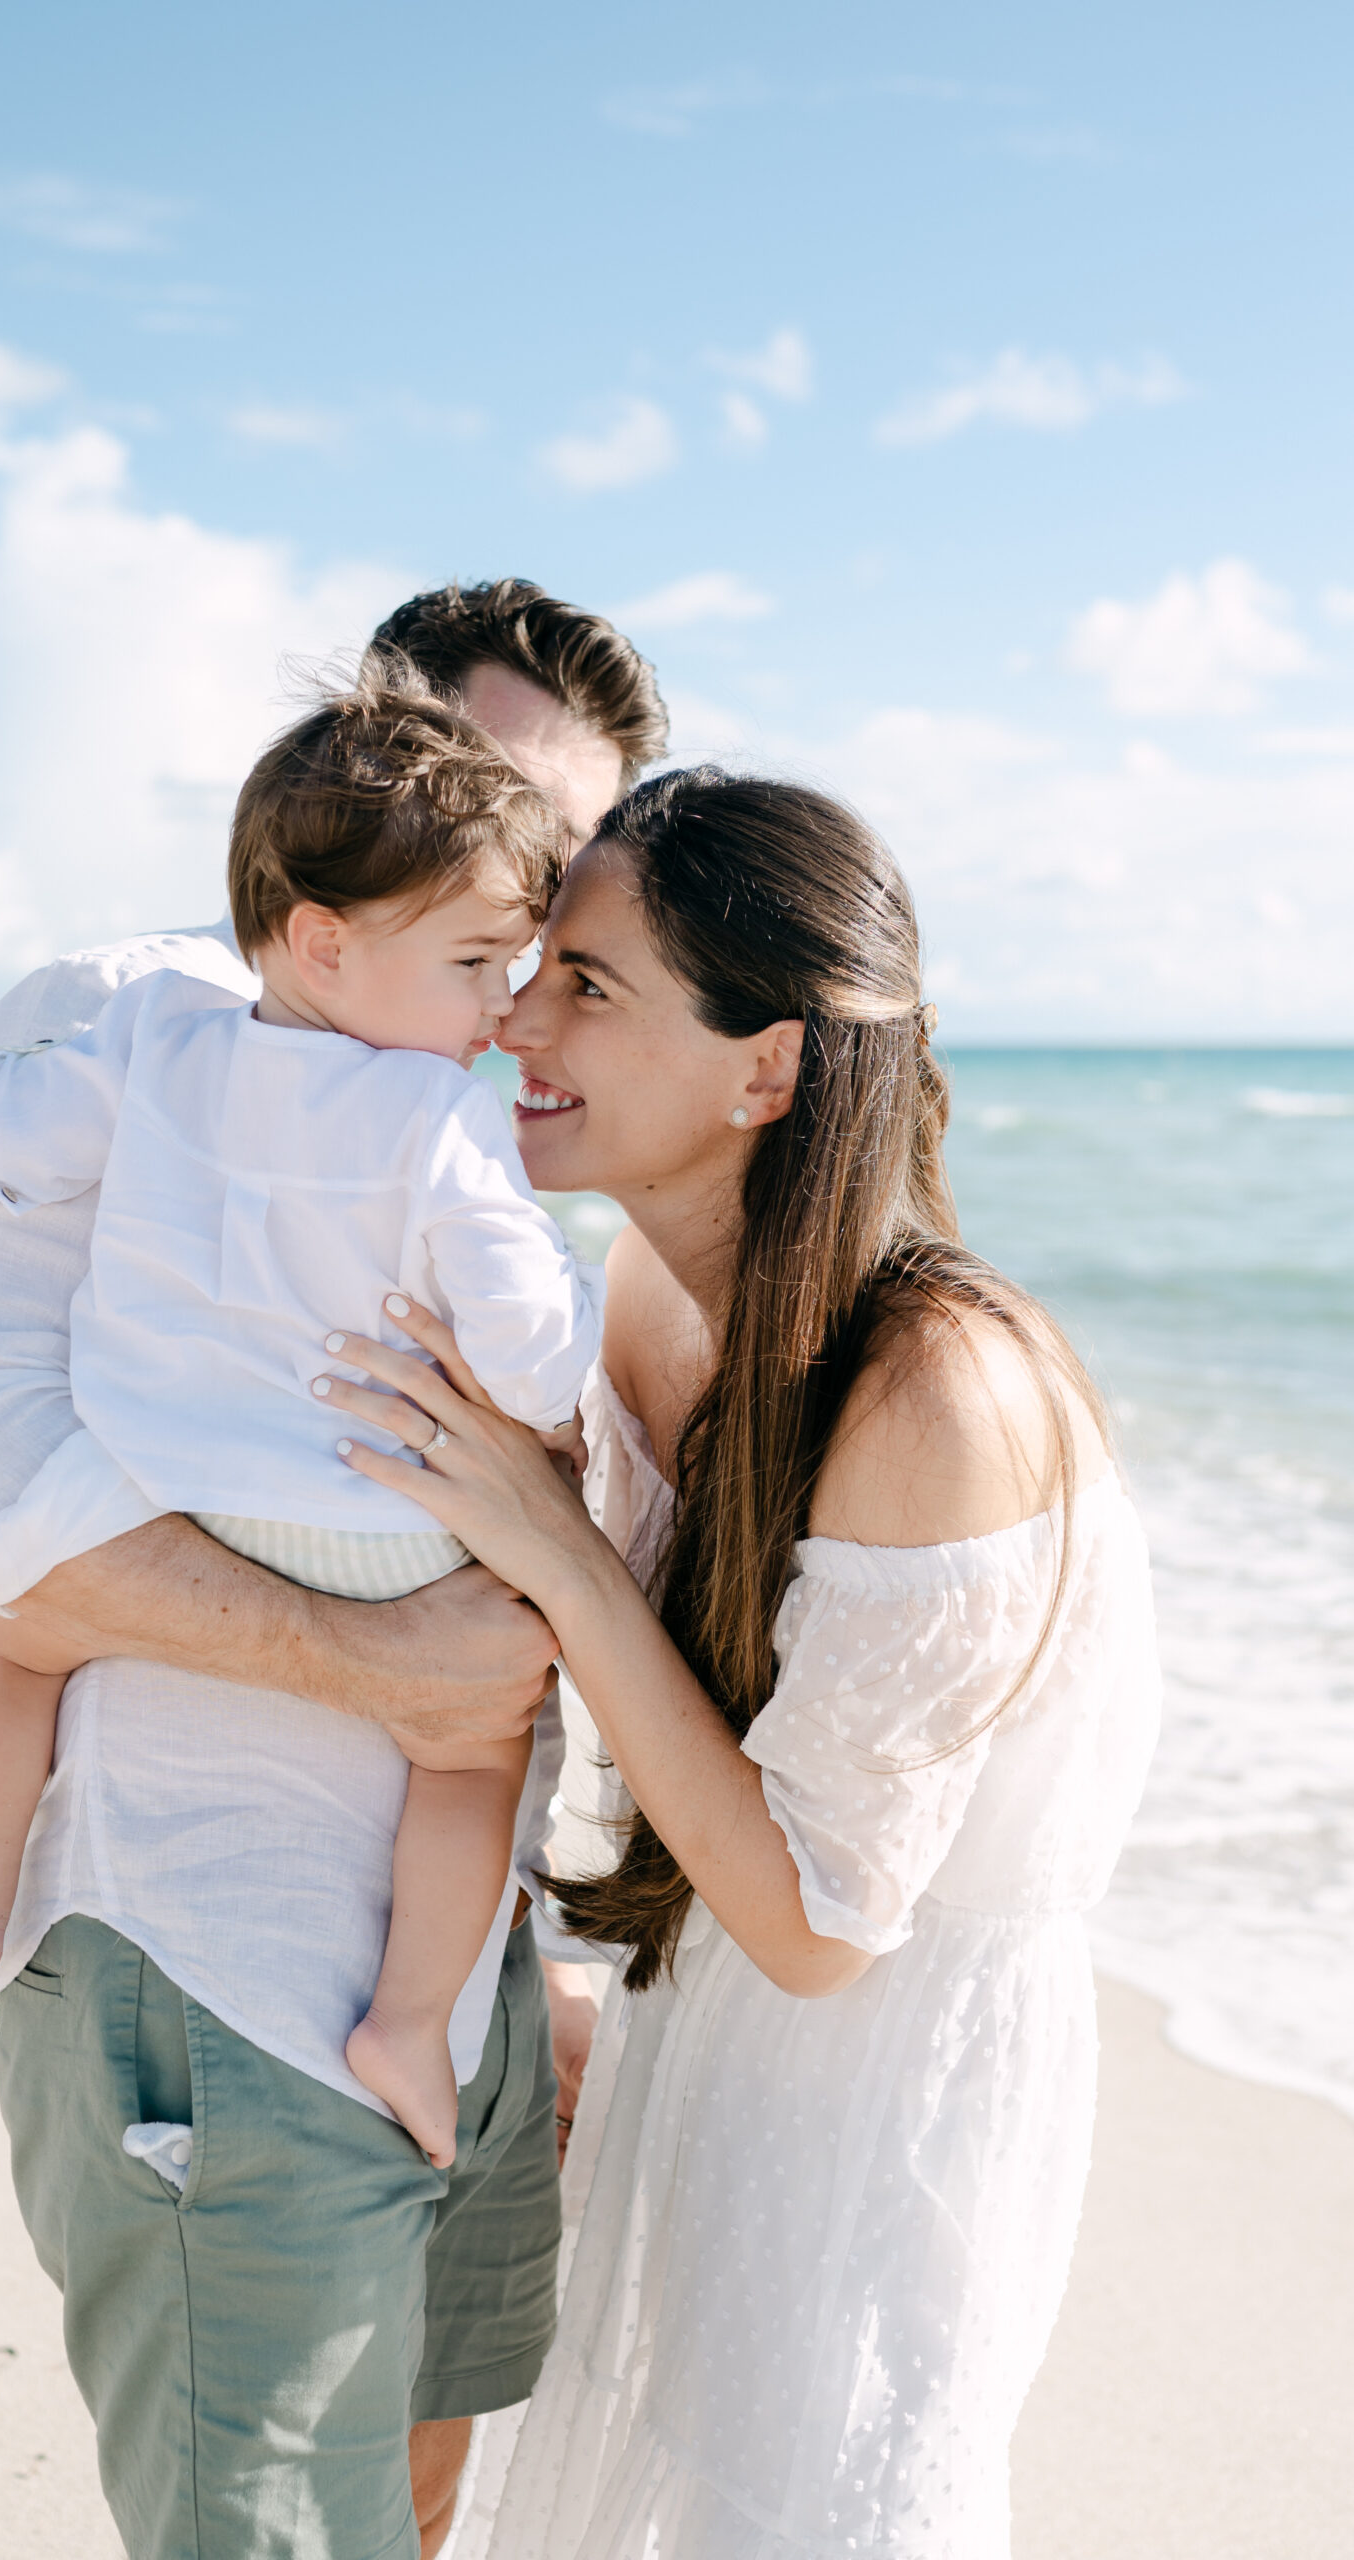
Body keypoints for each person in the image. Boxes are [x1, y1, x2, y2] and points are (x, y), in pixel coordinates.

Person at [0, 579, 665, 2560]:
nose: (533, 927)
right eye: (499, 826)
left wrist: (504, 1960)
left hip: (433, 1984)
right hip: (211, 1952)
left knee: (416, 2498)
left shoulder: (472, 1077)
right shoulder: (134, 1015)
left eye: (569, 878)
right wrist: (377, 1662)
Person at [311, 769, 1162, 2559]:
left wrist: (550, 1545)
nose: (517, 1018)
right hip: (700, 2033)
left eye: (591, 988)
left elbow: (823, 1923)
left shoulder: (940, 1392)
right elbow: (644, 1710)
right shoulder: (649, 1286)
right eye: (533, 967)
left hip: (887, 2096)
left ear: (764, 1070)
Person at [0, 677, 603, 2169]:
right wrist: (583, 1351)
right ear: (329, 938)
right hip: (378, 1523)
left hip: (169, 1481)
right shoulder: (444, 1120)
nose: (502, 1010)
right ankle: (407, 2017)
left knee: (15, 1646)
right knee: (467, 1759)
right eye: (477, 963)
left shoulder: (152, 1041)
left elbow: (16, 1136)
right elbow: (525, 1352)